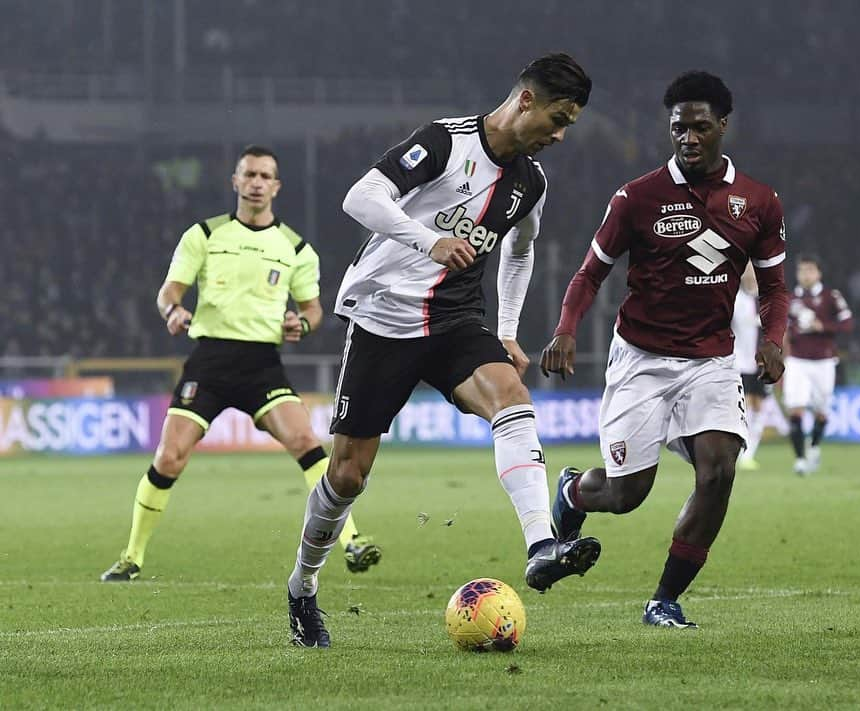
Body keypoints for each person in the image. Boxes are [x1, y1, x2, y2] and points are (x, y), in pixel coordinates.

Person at [286, 54, 601, 648]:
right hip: (383, 318)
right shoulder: (444, 142)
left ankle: (541, 546)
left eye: (570, 126)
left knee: (511, 397)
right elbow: (361, 197)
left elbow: (521, 250)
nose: (560, 135)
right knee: (348, 476)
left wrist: (507, 330)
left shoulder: (530, 182)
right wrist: (429, 239)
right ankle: (303, 586)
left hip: (456, 321)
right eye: (558, 119)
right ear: (526, 100)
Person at [540, 71, 789, 628]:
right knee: (627, 493)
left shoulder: (759, 201)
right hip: (643, 361)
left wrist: (773, 341)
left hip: (712, 361)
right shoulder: (637, 197)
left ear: (723, 125)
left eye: (701, 126)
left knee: (720, 471)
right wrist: (565, 329)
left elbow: (773, 287)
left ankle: (664, 600)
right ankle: (575, 493)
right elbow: (589, 274)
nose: (689, 137)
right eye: (679, 127)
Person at [101, 145, 380, 582]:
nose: (256, 183)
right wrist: (172, 312)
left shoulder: (296, 249)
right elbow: (168, 292)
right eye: (248, 174)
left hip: (261, 365)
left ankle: (353, 541)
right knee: (169, 458)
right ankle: (131, 556)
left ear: (276, 186)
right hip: (209, 361)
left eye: (265, 176)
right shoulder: (204, 235)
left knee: (308, 444)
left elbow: (313, 309)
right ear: (235, 181)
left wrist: (302, 325)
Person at [784, 255, 853, 475]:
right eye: (802, 271)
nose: (806, 275)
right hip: (797, 361)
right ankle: (800, 460)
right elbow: (781, 327)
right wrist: (794, 331)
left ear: (819, 273)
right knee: (796, 409)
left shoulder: (831, 297)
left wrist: (821, 326)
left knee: (822, 413)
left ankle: (813, 447)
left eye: (810, 270)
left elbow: (848, 324)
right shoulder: (789, 299)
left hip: (824, 361)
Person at [733, 263, 771, 471]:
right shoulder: (736, 300)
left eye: (753, 269)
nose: (750, 274)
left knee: (759, 408)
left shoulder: (768, 298)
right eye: (746, 269)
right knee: (744, 407)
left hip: (764, 362)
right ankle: (739, 450)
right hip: (740, 362)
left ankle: (749, 453)